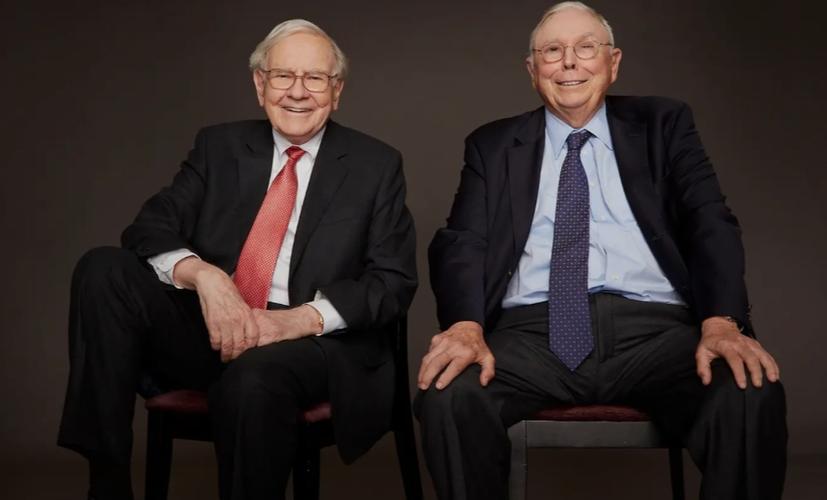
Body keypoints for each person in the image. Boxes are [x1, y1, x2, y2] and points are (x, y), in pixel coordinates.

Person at [415, 2, 786, 499]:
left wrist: (721, 321)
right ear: (532, 69)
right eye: (552, 51)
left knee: (748, 389)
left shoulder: (663, 124)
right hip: (533, 334)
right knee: (448, 395)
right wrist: (465, 325)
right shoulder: (493, 145)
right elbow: (464, 241)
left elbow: (709, 221)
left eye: (585, 48)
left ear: (613, 62)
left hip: (655, 333)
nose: (569, 62)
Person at [57, 19, 416, 500]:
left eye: (314, 78)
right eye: (283, 76)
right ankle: (107, 484)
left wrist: (296, 321)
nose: (297, 92)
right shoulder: (219, 147)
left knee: (253, 380)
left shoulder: (376, 165)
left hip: (311, 347)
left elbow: (391, 282)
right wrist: (205, 277)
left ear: (337, 91)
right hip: (216, 331)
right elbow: (147, 228)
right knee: (103, 269)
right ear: (260, 84)